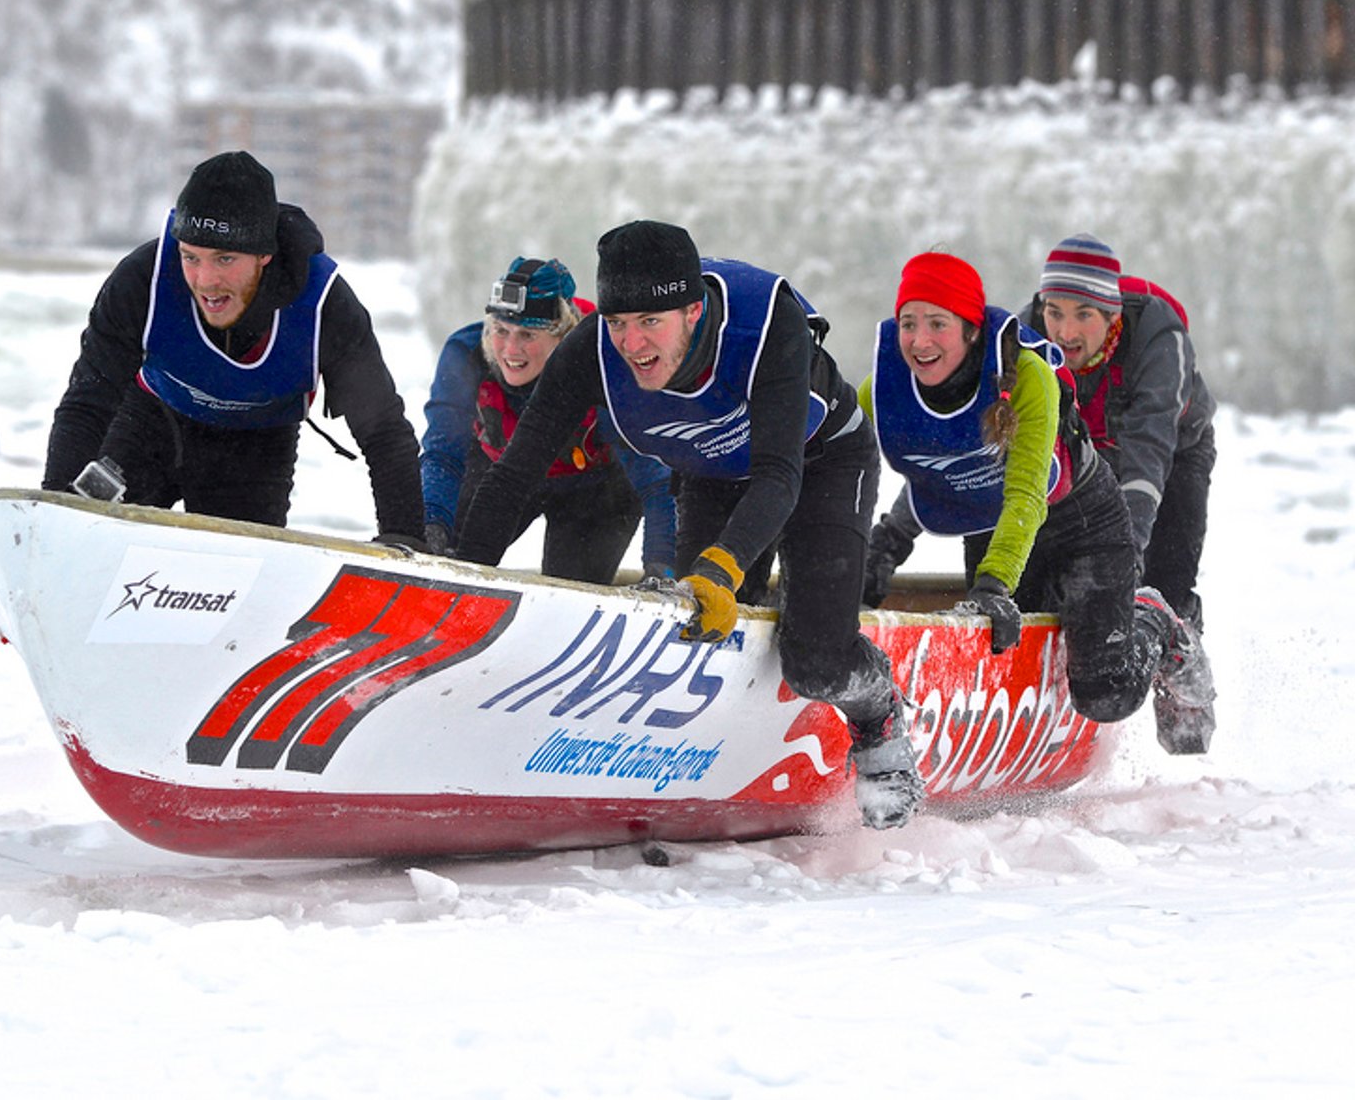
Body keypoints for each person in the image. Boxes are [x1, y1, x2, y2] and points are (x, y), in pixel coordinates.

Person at [449, 220, 919, 830]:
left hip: (819, 461)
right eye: (619, 323)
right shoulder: (588, 352)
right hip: (714, 475)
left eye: (651, 323)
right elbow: (513, 476)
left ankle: (878, 719)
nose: (632, 343)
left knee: (815, 660)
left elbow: (779, 476)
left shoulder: (762, 325)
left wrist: (722, 567)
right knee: (705, 641)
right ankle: (726, 756)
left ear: (693, 311)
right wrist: (460, 576)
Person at [860, 252, 1214, 756]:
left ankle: (1157, 621)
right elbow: (932, 465)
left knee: (1105, 693)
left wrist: (993, 584)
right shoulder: (889, 385)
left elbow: (1037, 488)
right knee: (1005, 655)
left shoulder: (1029, 373)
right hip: (998, 518)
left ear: (969, 330)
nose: (920, 341)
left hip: (1085, 518)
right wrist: (879, 548)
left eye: (937, 323)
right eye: (909, 323)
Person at [42, 150, 424, 542]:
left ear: (264, 255)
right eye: (191, 257)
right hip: (150, 423)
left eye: (224, 259)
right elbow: (87, 401)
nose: (206, 280)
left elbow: (384, 432)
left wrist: (404, 538)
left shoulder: (325, 303)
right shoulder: (143, 278)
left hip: (254, 447)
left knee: (233, 577)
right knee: (89, 532)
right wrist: (54, 506)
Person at [419, 255, 674, 584]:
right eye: (500, 330)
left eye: (527, 335)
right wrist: (432, 523)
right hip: (500, 473)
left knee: (570, 586)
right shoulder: (465, 353)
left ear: (562, 336)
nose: (510, 349)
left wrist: (662, 568)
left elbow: (655, 479)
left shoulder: (606, 363)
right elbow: (442, 452)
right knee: (444, 554)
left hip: (595, 488)